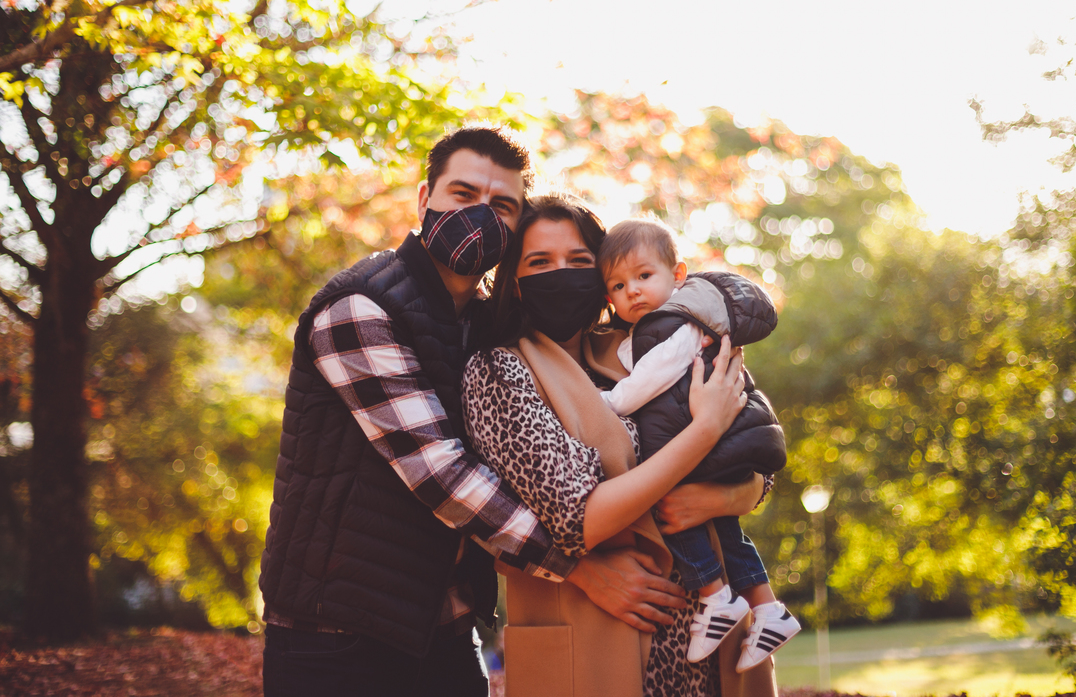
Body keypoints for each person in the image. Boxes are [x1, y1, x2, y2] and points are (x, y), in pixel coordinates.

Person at [258, 129, 690, 697]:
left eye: (502, 205)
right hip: (337, 630)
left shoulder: (488, 325)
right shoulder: (360, 307)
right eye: (463, 194)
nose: (480, 215)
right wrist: (581, 570)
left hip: (443, 621)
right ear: (425, 199)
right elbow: (439, 472)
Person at [462, 194, 778, 697]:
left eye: (579, 261)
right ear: (514, 282)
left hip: (713, 642)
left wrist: (721, 497)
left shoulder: (645, 346)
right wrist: (702, 433)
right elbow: (575, 518)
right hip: (596, 640)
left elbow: (754, 452)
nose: (560, 274)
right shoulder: (499, 371)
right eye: (540, 262)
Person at [598, 218, 800, 672]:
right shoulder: (663, 324)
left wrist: (607, 401)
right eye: (618, 285)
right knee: (725, 527)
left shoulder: (677, 324)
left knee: (668, 504)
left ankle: (715, 594)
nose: (632, 290)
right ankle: (768, 609)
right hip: (721, 440)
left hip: (713, 441)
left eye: (643, 275)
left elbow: (644, 383)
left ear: (677, 275)